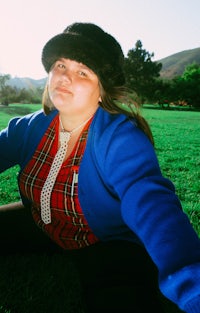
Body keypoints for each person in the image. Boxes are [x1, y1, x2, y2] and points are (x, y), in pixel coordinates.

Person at [0, 22, 200, 313]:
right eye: (60, 65)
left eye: (82, 71)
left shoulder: (121, 138)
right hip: (42, 223)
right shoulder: (29, 127)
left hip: (106, 243)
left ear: (102, 90)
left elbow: (155, 209)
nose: (65, 77)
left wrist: (192, 285)